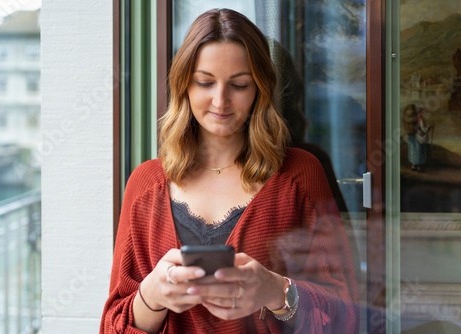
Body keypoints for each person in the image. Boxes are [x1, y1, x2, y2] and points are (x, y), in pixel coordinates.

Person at [100, 8, 359, 334]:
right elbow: (113, 327)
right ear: (184, 86)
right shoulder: (146, 183)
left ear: (260, 90)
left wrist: (276, 291)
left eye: (238, 85)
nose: (220, 101)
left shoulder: (300, 175)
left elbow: (346, 317)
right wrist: (150, 297)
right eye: (205, 82)